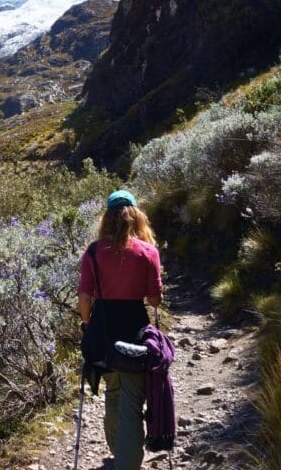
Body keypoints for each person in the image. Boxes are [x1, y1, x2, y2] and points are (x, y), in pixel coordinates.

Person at [77, 190, 163, 470]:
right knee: (132, 397)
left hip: (103, 328)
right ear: (136, 216)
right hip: (135, 327)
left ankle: (119, 453)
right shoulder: (148, 252)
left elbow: (84, 297)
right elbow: (154, 300)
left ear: (107, 219)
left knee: (113, 390)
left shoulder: (93, 251)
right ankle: (128, 462)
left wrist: (87, 323)